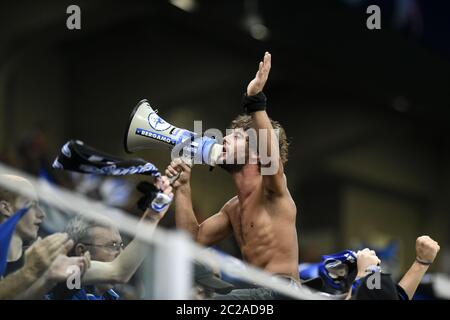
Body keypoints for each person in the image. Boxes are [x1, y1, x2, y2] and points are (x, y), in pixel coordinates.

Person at [166, 52, 300, 299]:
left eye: (236, 136)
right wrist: (183, 188)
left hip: (282, 293)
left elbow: (271, 156)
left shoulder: (272, 189)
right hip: (259, 295)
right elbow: (192, 241)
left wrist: (255, 100)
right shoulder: (232, 209)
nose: (224, 138)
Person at [46, 175, 174, 300]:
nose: (121, 254)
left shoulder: (113, 296)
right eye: (112, 246)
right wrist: (151, 218)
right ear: (82, 251)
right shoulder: (65, 279)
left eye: (121, 246)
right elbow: (119, 272)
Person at [0, 175, 89, 299]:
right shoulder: (36, 262)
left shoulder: (41, 259)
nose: (42, 214)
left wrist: (73, 280)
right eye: (31, 205)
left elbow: (116, 273)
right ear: (6, 208)